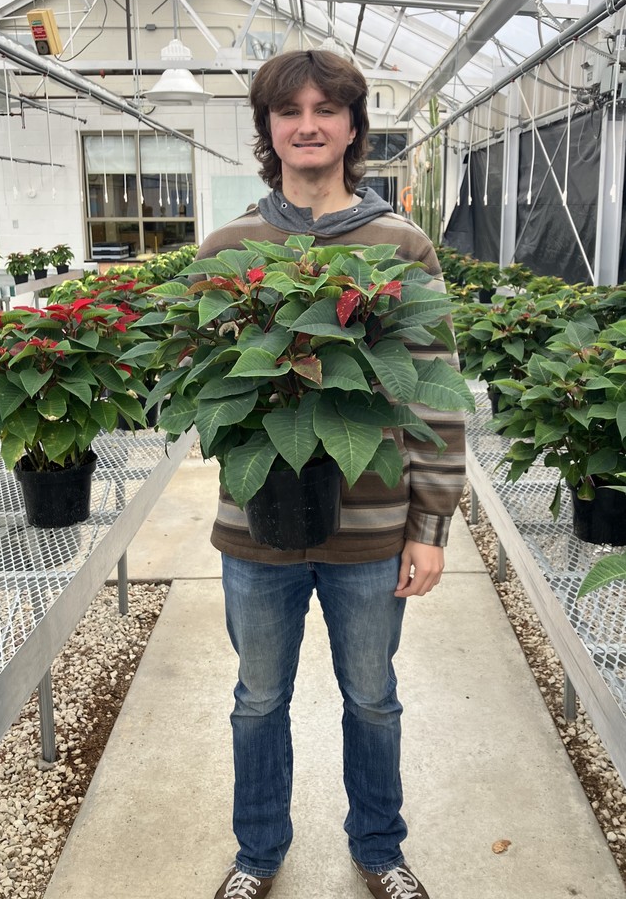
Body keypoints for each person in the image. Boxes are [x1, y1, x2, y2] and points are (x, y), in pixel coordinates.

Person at [194, 50, 466, 899]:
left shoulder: (400, 244)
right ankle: (257, 855)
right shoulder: (231, 247)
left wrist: (430, 526)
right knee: (256, 701)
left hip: (372, 528)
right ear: (267, 130)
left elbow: (434, 390)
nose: (306, 124)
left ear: (353, 127)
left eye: (325, 109)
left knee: (374, 700)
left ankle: (379, 849)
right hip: (255, 528)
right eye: (288, 111)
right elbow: (211, 386)